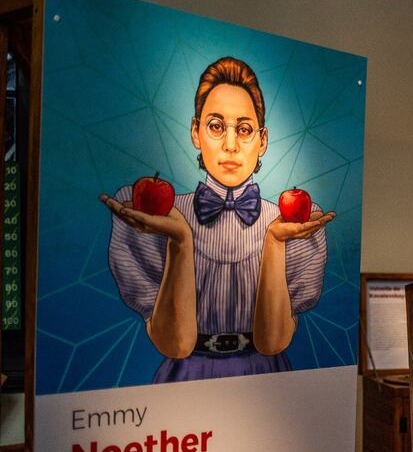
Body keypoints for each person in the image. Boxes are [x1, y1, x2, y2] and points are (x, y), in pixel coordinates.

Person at [101, 56, 333, 383]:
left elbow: (273, 342)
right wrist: (180, 240)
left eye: (244, 129)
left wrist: (274, 241)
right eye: (216, 126)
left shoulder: (289, 225)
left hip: (267, 382)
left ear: (263, 140)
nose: (230, 145)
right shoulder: (161, 219)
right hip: (185, 379)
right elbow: (174, 344)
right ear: (196, 132)